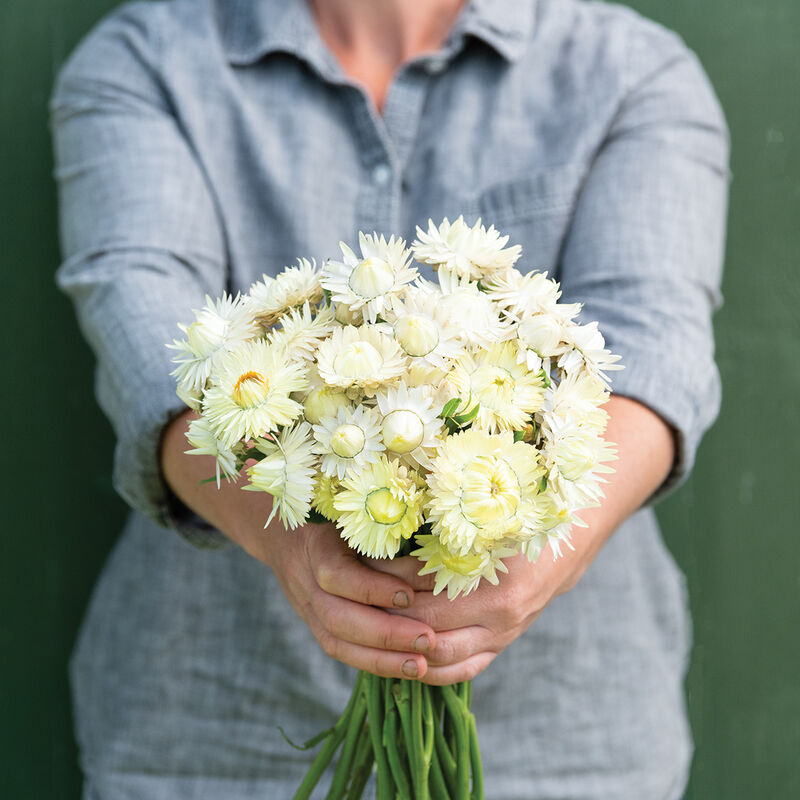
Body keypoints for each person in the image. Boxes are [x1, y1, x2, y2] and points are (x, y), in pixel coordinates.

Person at [51, 0, 729, 797]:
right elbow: (146, 333)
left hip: (564, 740)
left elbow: (656, 348)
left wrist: (526, 557)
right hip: (210, 728)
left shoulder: (632, 71)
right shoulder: (147, 59)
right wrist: (289, 543)